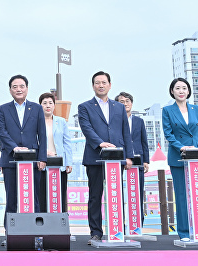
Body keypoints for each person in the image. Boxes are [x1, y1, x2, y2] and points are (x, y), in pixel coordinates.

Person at [78, 71, 133, 245]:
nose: (101, 85)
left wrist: (128, 156)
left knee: (116, 194)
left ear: (110, 85)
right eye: (97, 83)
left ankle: (118, 230)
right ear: (93, 85)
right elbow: (86, 129)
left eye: (104, 82)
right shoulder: (85, 107)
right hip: (95, 156)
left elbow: (125, 132)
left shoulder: (118, 107)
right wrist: (100, 143)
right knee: (95, 195)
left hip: (116, 158)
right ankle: (96, 232)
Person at [162, 77, 198, 242]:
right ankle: (183, 232)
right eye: (177, 88)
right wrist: (181, 147)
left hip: (197, 157)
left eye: (184, 88)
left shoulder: (196, 109)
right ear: (172, 91)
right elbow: (168, 134)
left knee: (197, 194)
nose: (181, 91)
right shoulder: (167, 110)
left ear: (188, 91)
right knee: (181, 195)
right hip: (178, 157)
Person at [0, 74, 47, 228]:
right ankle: (9, 232)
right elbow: (1, 131)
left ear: (27, 88)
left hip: (33, 161)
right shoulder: (4, 109)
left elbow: (42, 134)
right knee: (11, 198)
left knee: (33, 197)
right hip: (10, 160)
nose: (18, 89)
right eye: (15, 87)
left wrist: (42, 158)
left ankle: (36, 232)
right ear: (10, 90)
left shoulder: (37, 108)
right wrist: (14, 147)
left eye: (21, 86)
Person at [115, 92, 149, 224]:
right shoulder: (115, 121)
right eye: (121, 102)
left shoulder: (139, 121)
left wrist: (146, 160)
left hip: (137, 160)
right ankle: (120, 223)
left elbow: (144, 141)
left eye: (127, 101)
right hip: (120, 159)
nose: (125, 104)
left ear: (132, 103)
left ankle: (138, 223)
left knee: (138, 192)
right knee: (119, 192)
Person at [38, 92, 73, 213]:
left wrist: (68, 162)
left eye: (50, 103)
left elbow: (67, 142)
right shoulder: (36, 121)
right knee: (42, 195)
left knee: (59, 195)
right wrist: (43, 152)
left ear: (54, 106)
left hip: (59, 164)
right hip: (42, 163)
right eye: (44, 103)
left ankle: (60, 224)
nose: (48, 106)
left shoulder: (61, 121)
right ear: (40, 105)